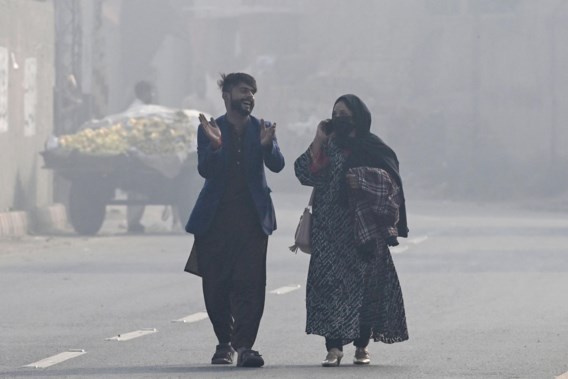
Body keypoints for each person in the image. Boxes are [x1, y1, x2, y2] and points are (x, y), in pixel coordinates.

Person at [294, 94, 409, 367]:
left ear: (358, 117)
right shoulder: (328, 147)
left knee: (366, 289)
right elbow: (303, 173)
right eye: (335, 114)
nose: (338, 118)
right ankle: (333, 348)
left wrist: (363, 180)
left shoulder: (373, 147)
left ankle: (361, 346)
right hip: (328, 233)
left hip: (365, 233)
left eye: (344, 114)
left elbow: (391, 184)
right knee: (330, 289)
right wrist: (318, 139)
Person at [184, 73, 285, 367]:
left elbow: (277, 165)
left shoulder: (262, 128)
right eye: (243, 91)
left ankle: (245, 347)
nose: (249, 97)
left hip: (253, 221)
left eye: (252, 92)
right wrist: (216, 146)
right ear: (227, 95)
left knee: (251, 283)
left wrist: (267, 146)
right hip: (215, 221)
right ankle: (224, 343)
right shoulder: (210, 129)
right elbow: (206, 170)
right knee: (216, 284)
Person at [125, 80, 156, 233]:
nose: (153, 95)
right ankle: (133, 222)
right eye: (151, 92)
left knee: (136, 191)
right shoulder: (140, 110)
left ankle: (133, 221)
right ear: (144, 93)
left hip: (134, 153)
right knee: (138, 190)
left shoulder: (136, 108)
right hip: (137, 155)